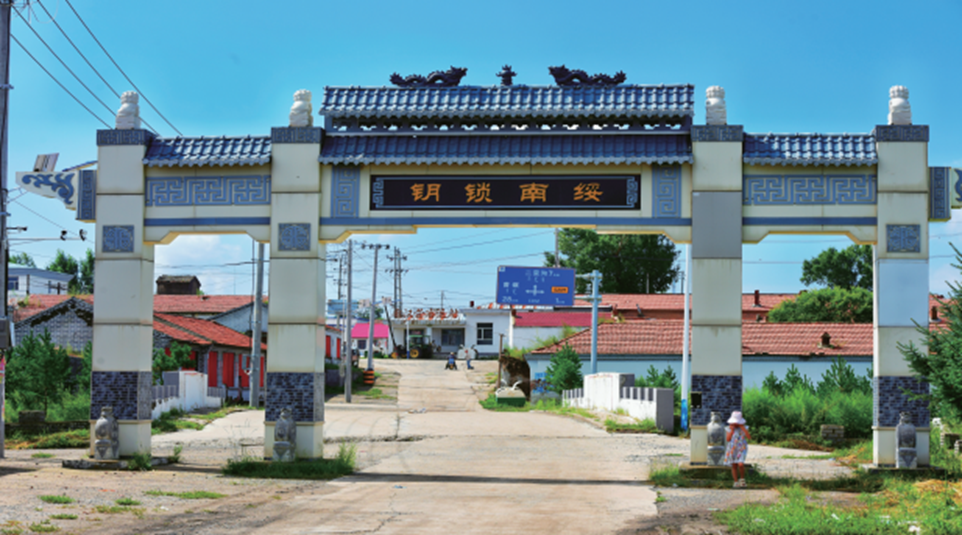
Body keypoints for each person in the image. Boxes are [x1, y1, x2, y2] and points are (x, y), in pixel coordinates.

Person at [725, 410, 751, 488]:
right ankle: (735, 482)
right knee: (734, 465)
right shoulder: (728, 428)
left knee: (740, 464)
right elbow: (728, 439)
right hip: (732, 448)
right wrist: (732, 430)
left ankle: (742, 480)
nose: (736, 424)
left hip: (741, 448)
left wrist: (742, 428)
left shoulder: (745, 428)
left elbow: (749, 437)